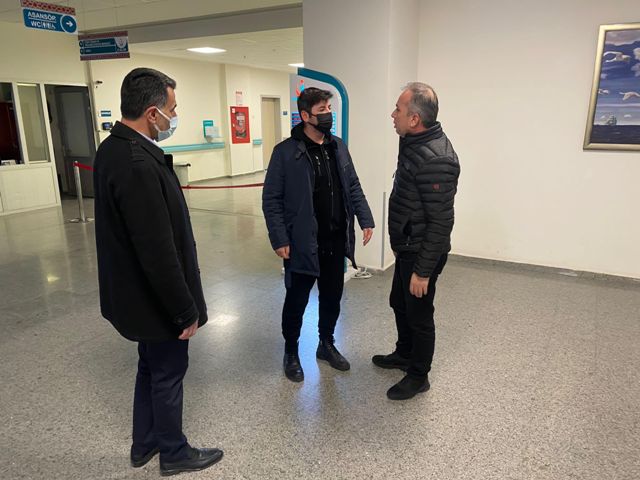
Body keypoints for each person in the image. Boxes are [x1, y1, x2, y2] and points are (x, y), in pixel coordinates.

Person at [93, 67, 223, 475]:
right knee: (168, 371)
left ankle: (144, 442)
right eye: (172, 109)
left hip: (135, 296)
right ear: (152, 113)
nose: (174, 116)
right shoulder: (138, 163)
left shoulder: (113, 148)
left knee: (149, 366)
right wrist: (185, 311)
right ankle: (174, 452)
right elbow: (157, 251)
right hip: (154, 299)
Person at [262, 87, 375, 382]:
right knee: (297, 300)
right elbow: (271, 199)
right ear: (305, 115)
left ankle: (326, 343)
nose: (328, 114)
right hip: (302, 242)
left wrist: (365, 218)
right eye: (322, 109)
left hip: (335, 237)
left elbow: (353, 185)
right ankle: (291, 351)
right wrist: (279, 238)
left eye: (329, 108)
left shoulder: (338, 146)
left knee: (332, 296)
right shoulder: (285, 152)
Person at [372, 82, 460, 400]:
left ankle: (419, 375)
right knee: (399, 303)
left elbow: (441, 222)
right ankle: (404, 353)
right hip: (407, 245)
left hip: (422, 251)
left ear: (414, 119)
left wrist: (423, 272)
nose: (392, 114)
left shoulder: (438, 160)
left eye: (398, 109)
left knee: (419, 315)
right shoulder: (412, 140)